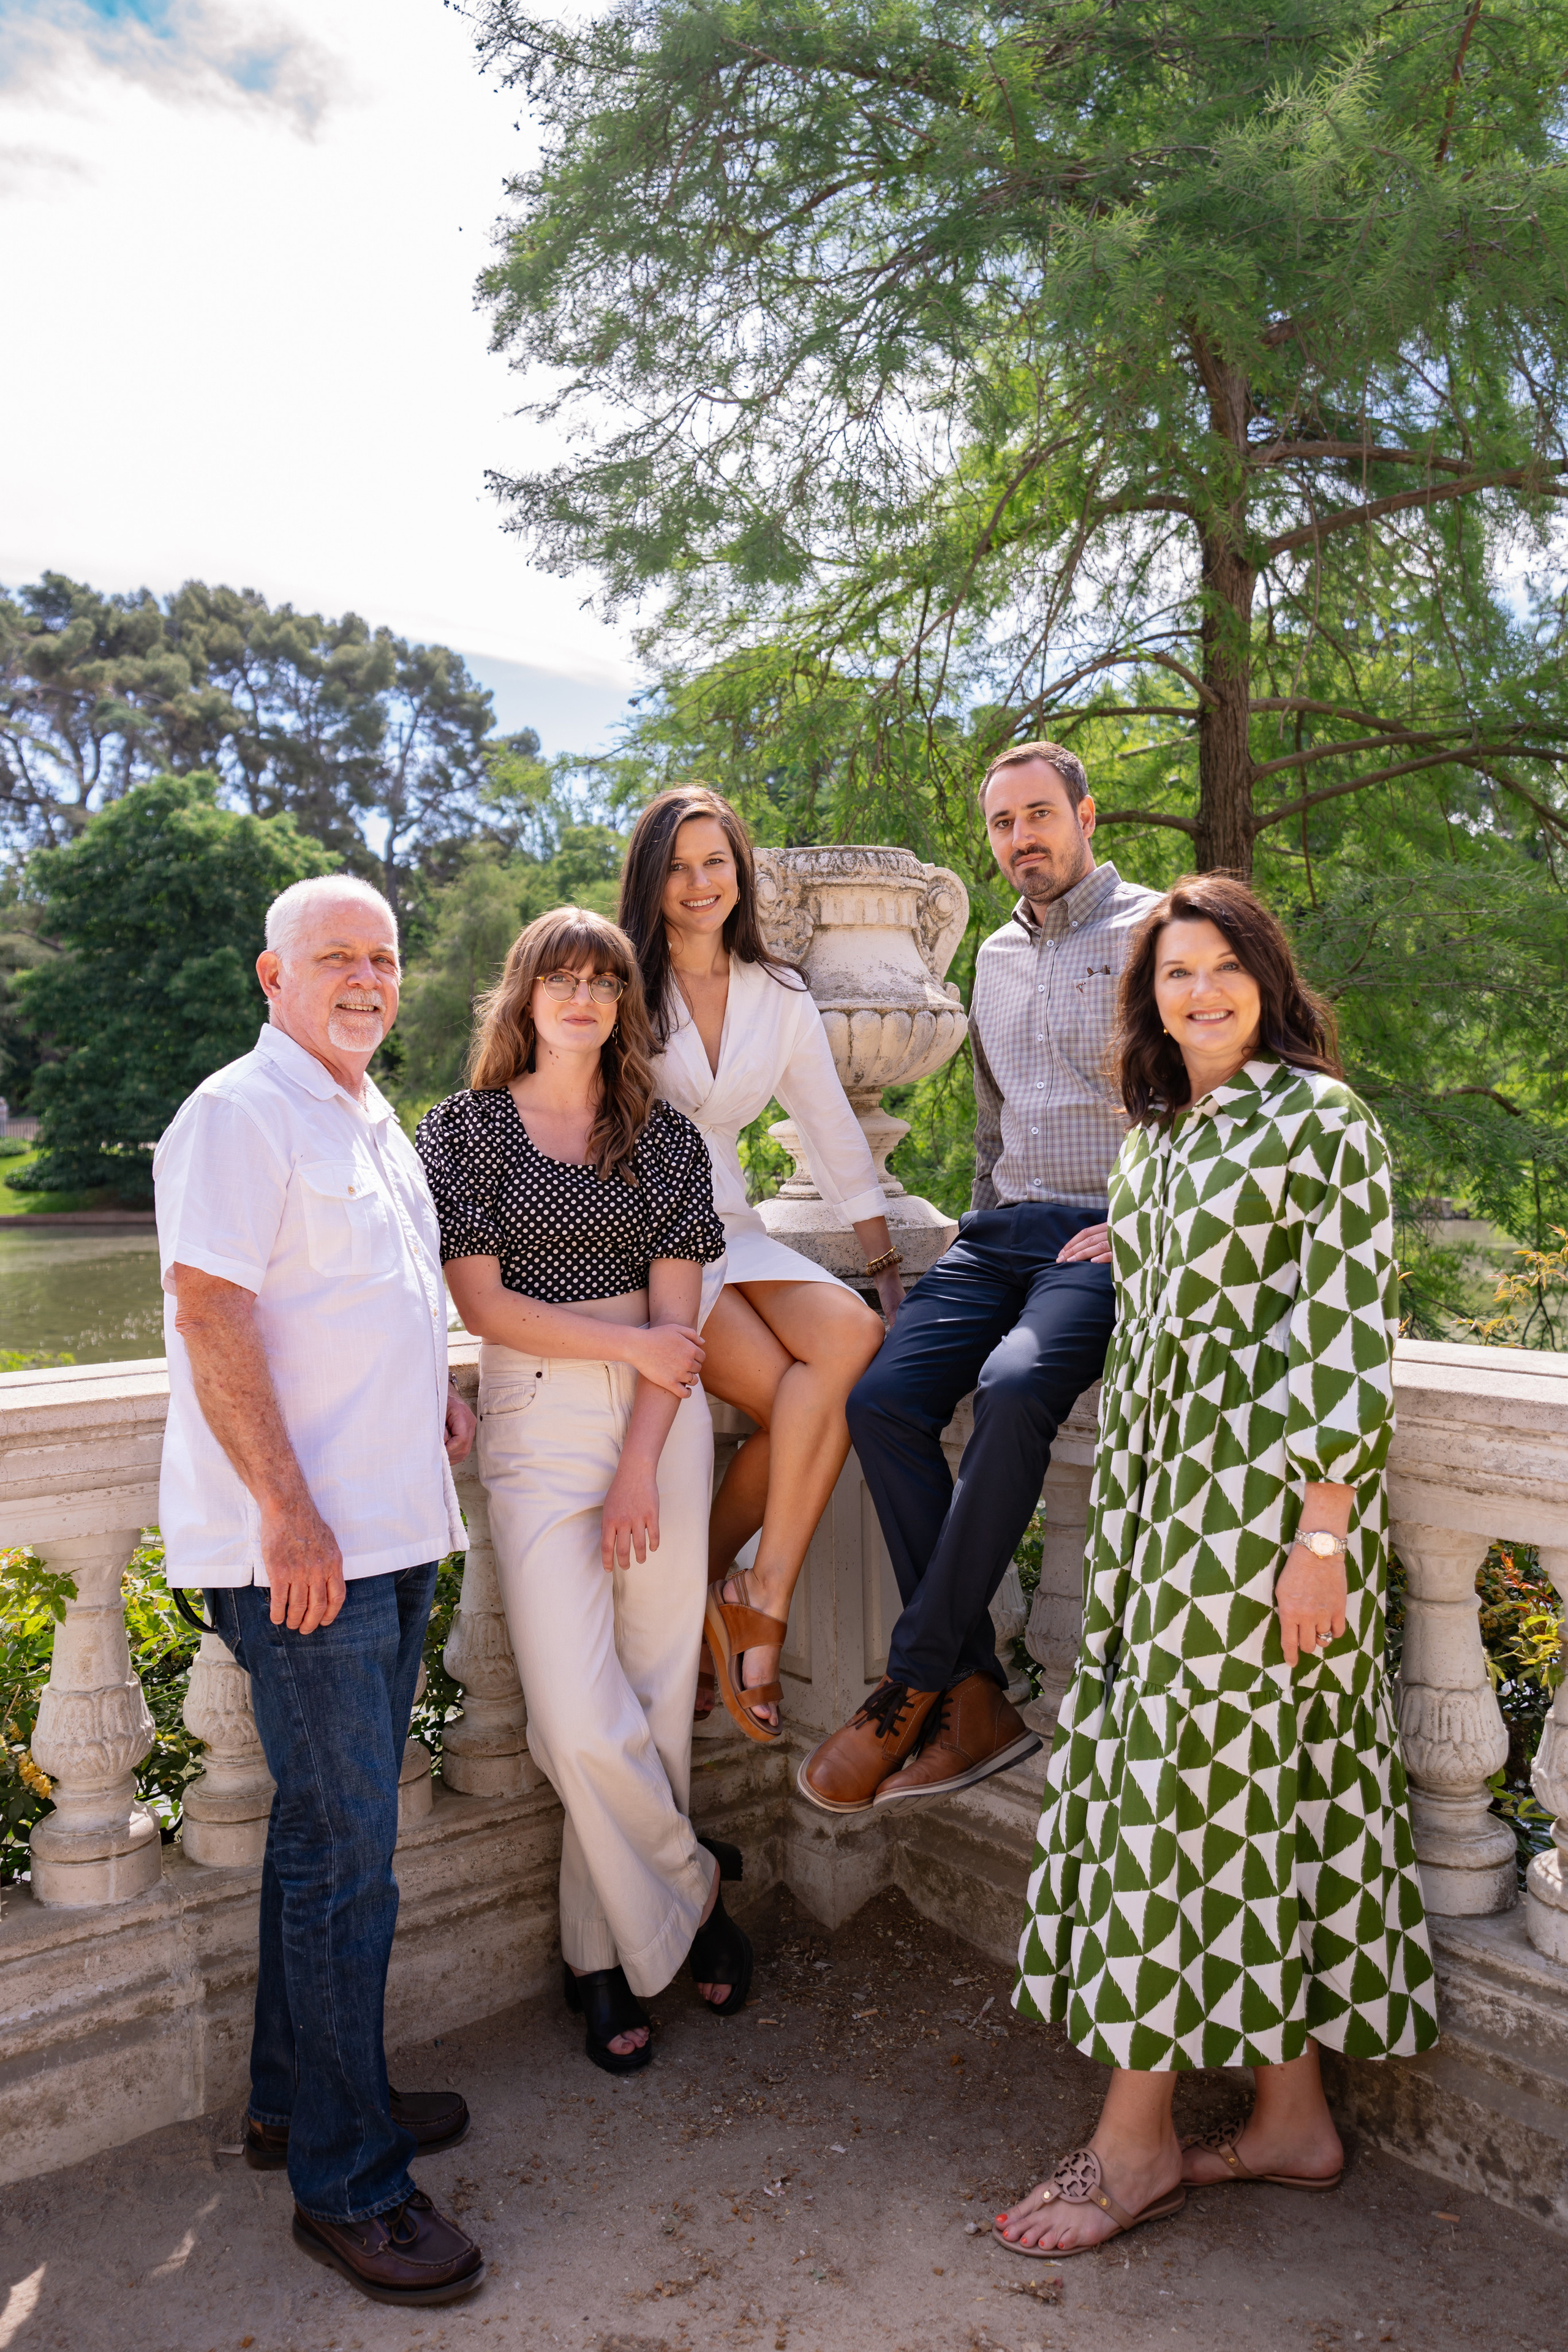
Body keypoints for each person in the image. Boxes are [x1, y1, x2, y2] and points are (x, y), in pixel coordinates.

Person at [995, 874, 1438, 2258]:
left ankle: (1131, 2146)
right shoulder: (1160, 1139)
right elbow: (1200, 1275)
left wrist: (1318, 1538)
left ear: (1266, 977)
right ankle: (1289, 2119)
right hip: (1152, 1512)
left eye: (1221, 969)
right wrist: (1126, 1233)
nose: (1198, 994)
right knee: (1262, 1804)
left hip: (1256, 1523)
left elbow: (1343, 1335)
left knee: (1174, 1811)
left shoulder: (1320, 1120)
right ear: (1146, 1000)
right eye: (1172, 976)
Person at [154, 875, 485, 2310]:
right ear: (270, 974)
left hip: (393, 1526)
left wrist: (439, 1398)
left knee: (326, 1840)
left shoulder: (367, 1116)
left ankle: (297, 2098)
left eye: (384, 957)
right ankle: (348, 2185)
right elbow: (212, 1312)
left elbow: (374, 1301)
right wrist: (285, 1512)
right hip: (308, 1552)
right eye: (336, 956)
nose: (366, 976)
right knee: (351, 1859)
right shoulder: (238, 1112)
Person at [415, 905, 753, 2075]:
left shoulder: (664, 1139)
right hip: (536, 1415)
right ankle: (698, 1885)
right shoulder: (460, 1131)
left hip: (661, 1424)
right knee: (575, 1710)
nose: (582, 998)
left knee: (654, 1700)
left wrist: (641, 1464)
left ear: (622, 1008)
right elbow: (483, 1308)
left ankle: (598, 1958)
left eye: (603, 983)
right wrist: (627, 1362)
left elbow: (681, 1327)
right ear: (523, 997)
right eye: (559, 979)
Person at [798, 743, 1159, 1813]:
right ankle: (977, 1697)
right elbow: (997, 1116)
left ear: (1087, 815)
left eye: (1040, 816)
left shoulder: (1154, 934)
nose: (1021, 842)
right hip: (998, 1229)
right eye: (1003, 826)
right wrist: (969, 1229)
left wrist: (1146, 1221)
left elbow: (1193, 1098)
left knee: (1010, 1391)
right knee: (882, 1400)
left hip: (1105, 1232)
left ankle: (915, 1683)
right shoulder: (994, 955)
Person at [617, 786, 899, 1742]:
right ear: (652, 884)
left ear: (740, 873)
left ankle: (752, 1590)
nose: (701, 885)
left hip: (733, 1220)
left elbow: (829, 1127)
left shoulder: (777, 994)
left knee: (856, 1336)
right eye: (681, 868)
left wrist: (884, 1257)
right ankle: (734, 1602)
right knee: (794, 1399)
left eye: (717, 863)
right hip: (648, 1239)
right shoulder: (617, 985)